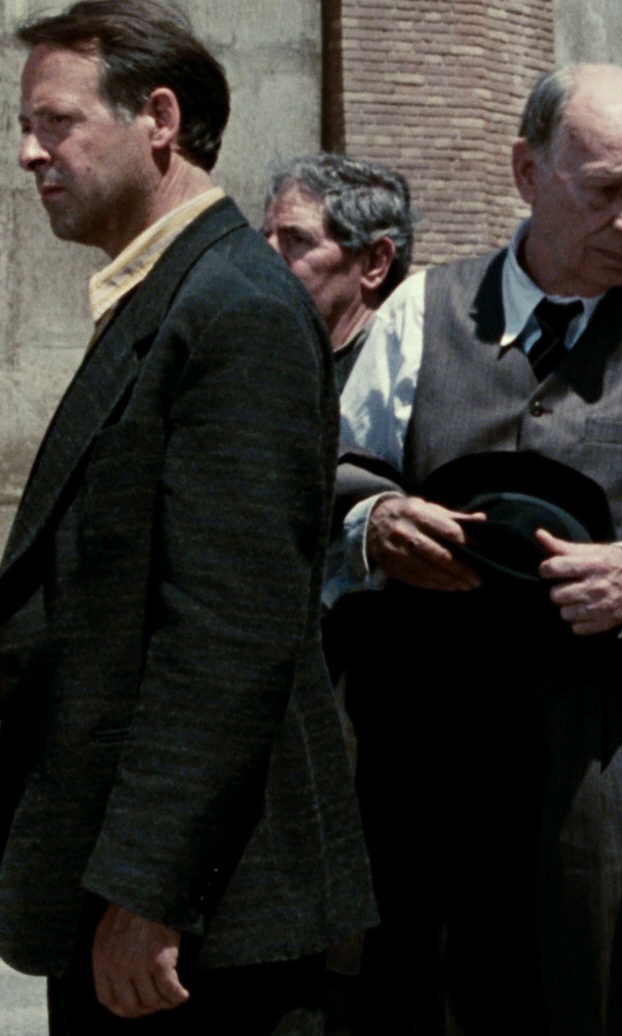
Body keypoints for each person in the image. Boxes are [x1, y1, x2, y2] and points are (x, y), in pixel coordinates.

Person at [328, 62, 622, 1034]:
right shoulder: (422, 312)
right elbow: (338, 476)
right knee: (428, 992)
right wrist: (376, 523)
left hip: (613, 741)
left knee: (615, 995)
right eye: (605, 190)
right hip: (428, 729)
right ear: (527, 172)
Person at [0, 1, 374, 1032]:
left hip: (202, 927)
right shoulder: (168, 294)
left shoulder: (235, 308)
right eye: (25, 127)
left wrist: (148, 892)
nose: (30, 153)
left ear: (159, 119)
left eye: (57, 123)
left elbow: (229, 634)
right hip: (136, 892)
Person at [262, 152, 415, 385]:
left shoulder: (407, 381)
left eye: (296, 239)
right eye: (263, 237)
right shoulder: (268, 360)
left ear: (375, 262)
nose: (265, 256)